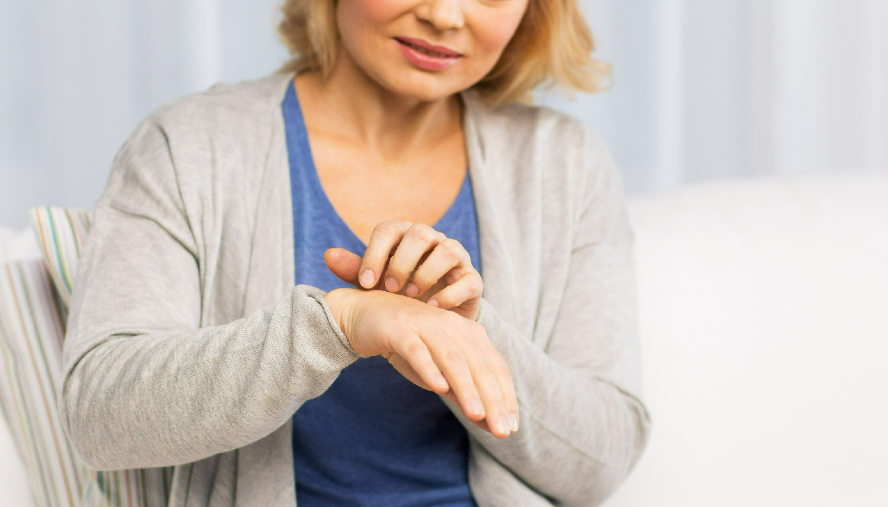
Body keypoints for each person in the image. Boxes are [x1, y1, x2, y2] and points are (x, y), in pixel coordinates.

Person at [59, 0, 650, 506]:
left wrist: (461, 333)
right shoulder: (189, 146)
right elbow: (99, 417)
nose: (445, 16)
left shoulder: (564, 163)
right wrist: (336, 327)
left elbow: (600, 461)